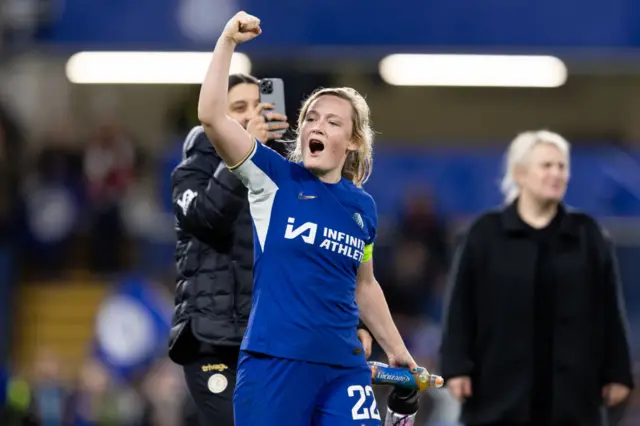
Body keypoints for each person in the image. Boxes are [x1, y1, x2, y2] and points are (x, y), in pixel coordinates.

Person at [196, 11, 419, 426]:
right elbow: (211, 117)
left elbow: (364, 286)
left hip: (344, 368)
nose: (317, 125)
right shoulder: (273, 177)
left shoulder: (362, 207)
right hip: (274, 363)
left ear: (352, 141)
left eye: (333, 121)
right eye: (311, 118)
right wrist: (227, 41)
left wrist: (398, 351)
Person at [168, 72, 375, 426]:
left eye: (258, 106)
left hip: (279, 338)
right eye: (239, 108)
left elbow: (317, 258)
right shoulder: (197, 167)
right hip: (213, 337)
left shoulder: (293, 178)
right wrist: (242, 157)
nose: (252, 115)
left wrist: (348, 321)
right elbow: (207, 219)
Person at [439, 130, 634, 426]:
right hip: (498, 393)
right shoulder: (485, 233)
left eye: (562, 166)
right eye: (546, 165)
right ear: (519, 174)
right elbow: (461, 305)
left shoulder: (587, 234)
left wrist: (618, 371)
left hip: (573, 396)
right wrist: (456, 366)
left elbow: (609, 307)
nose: (557, 173)